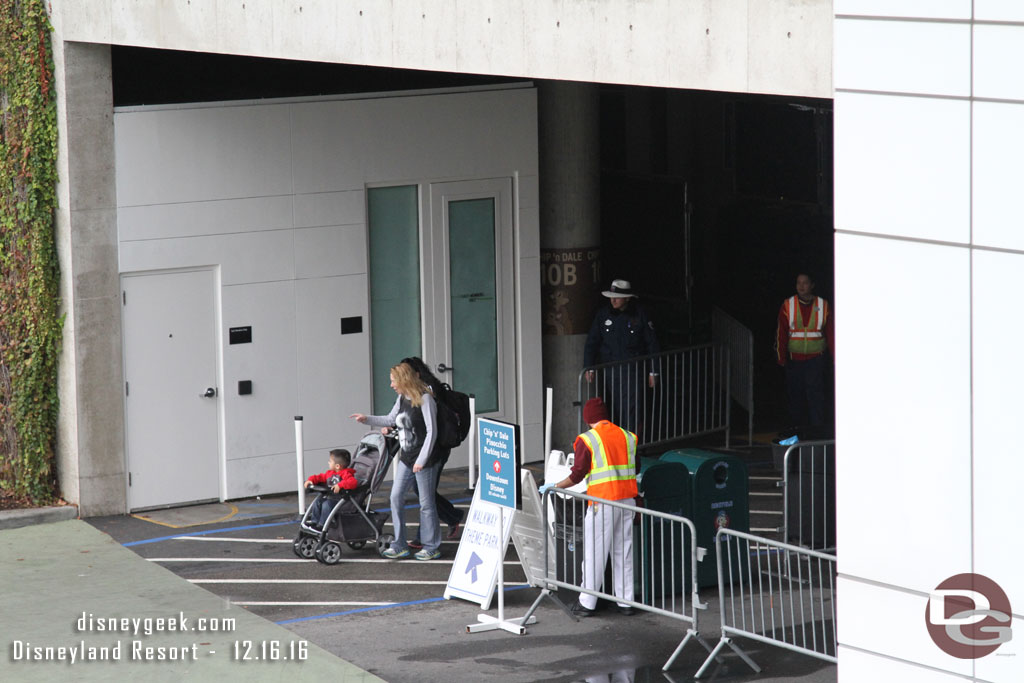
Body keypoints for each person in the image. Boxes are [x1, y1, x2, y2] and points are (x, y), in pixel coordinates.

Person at [540, 397, 638, 617]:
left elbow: (577, 474)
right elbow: (635, 466)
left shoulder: (588, 439)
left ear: (587, 419)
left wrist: (554, 486)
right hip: (628, 502)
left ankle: (587, 603)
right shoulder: (627, 436)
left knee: (594, 552)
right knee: (624, 552)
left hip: (602, 503)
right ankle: (626, 603)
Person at [350, 362, 443, 561]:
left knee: (426, 504)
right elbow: (391, 419)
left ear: (404, 380)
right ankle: (399, 544)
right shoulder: (402, 398)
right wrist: (367, 419)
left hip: (423, 460)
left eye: (394, 381)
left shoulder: (426, 400)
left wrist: (422, 459)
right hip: (407, 458)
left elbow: (431, 432)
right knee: (395, 497)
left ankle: (431, 546)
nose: (391, 385)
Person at [399, 356, 464, 546]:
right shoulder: (410, 392)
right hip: (425, 449)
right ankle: (451, 516)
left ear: (415, 374)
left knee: (424, 492)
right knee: (423, 491)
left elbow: (429, 427)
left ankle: (424, 537)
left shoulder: (428, 392)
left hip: (436, 449)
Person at [583, 279, 660, 434]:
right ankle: (616, 442)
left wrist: (654, 371)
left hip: (633, 370)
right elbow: (592, 342)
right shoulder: (603, 315)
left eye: (617, 297)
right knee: (611, 408)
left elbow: (652, 343)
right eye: (611, 296)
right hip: (610, 370)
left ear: (627, 298)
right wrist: (588, 366)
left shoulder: (640, 314)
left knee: (632, 409)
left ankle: (631, 444)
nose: (613, 300)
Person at [774, 272, 835, 429]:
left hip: (816, 359)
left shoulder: (823, 305)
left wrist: (835, 357)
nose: (801, 286)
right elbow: (781, 332)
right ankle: (798, 431)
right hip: (794, 360)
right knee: (796, 399)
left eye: (805, 283)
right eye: (798, 283)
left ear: (812, 285)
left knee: (816, 398)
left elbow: (831, 333)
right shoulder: (788, 305)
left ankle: (817, 432)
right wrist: (781, 357)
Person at [303, 448, 359, 529]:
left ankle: (322, 525)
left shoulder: (346, 474)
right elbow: (320, 477)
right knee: (317, 502)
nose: (328, 462)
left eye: (330, 461)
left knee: (326, 504)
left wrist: (340, 485)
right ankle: (314, 521)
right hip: (329, 497)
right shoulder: (330, 473)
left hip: (340, 499)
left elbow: (353, 482)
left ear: (337, 466)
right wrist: (310, 480)